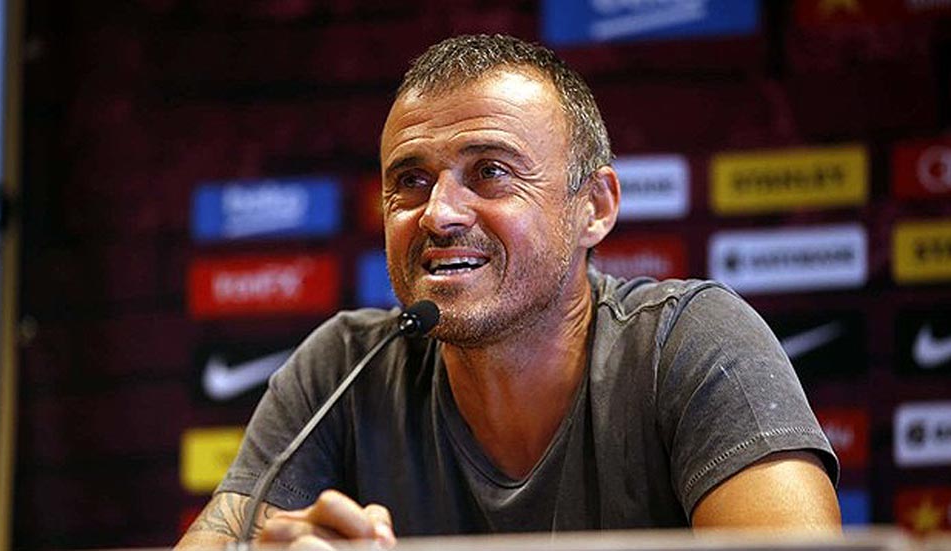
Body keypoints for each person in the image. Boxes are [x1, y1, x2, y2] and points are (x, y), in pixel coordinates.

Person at [176, 34, 841, 550]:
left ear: (594, 207)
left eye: (490, 171)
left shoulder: (689, 344)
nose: (439, 213)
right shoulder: (344, 367)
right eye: (410, 181)